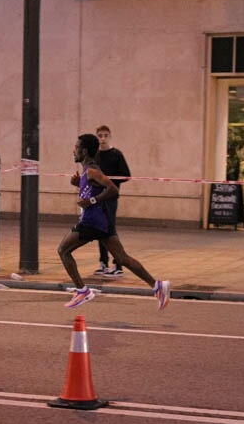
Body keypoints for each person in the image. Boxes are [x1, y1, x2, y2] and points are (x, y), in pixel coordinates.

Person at [57, 133, 170, 310]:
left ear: (85, 151)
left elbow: (113, 189)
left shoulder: (93, 170)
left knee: (63, 250)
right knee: (121, 258)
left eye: (76, 147)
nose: (74, 151)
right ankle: (158, 286)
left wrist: (91, 202)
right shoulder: (88, 171)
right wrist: (79, 184)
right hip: (103, 221)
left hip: (92, 221)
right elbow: (92, 190)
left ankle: (82, 291)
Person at [92, 125, 131, 277]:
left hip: (110, 198)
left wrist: (110, 181)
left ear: (110, 136)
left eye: (105, 135)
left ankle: (118, 264)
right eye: (100, 135)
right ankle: (103, 262)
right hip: (97, 197)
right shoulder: (95, 155)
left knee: (110, 230)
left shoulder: (116, 154)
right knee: (100, 230)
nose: (102, 138)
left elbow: (126, 175)